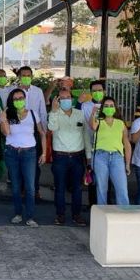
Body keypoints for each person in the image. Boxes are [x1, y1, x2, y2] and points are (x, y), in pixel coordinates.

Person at [0, 88, 46, 227]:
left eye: (21, 98)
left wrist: (44, 153)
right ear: (11, 101)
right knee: (15, 186)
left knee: (30, 187)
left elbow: (42, 133)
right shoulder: (7, 114)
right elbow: (6, 133)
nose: (19, 101)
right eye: (15, 99)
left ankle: (30, 217)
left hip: (29, 153)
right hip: (12, 153)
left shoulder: (33, 114)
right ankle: (18, 213)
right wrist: (3, 120)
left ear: (25, 99)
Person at [48, 87, 87, 226]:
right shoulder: (54, 113)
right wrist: (53, 110)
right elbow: (51, 128)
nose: (66, 100)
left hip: (77, 157)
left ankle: (77, 215)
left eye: (68, 97)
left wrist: (87, 157)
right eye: (62, 98)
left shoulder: (79, 113)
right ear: (57, 100)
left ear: (72, 99)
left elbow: (85, 135)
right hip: (60, 157)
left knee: (77, 188)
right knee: (60, 188)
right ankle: (60, 215)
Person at [89, 96, 132, 205]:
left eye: (111, 106)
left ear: (115, 108)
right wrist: (93, 113)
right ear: (102, 108)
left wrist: (127, 164)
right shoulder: (98, 121)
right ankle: (102, 216)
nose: (109, 108)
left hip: (117, 157)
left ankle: (124, 216)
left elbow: (126, 144)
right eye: (106, 106)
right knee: (102, 188)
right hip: (100, 156)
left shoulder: (120, 123)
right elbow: (93, 127)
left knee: (122, 188)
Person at [16, 66, 48, 201]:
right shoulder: (14, 91)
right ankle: (22, 189)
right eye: (23, 75)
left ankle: (35, 189)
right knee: (19, 162)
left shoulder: (38, 91)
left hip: (35, 130)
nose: (26, 77)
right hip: (18, 131)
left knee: (34, 162)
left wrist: (44, 132)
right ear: (19, 77)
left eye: (28, 75)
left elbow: (42, 111)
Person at [79, 80, 106, 205]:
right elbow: (82, 125)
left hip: (106, 147)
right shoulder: (86, 106)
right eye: (94, 91)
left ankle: (106, 204)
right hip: (90, 146)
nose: (97, 93)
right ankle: (92, 204)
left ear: (104, 91)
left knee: (106, 178)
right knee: (91, 176)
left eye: (99, 90)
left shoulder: (110, 105)